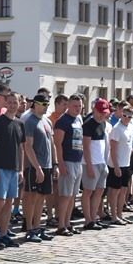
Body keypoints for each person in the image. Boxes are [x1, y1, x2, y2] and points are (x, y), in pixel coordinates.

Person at [0, 85, 24, 249]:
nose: (13, 105)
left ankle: (3, 232)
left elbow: (21, 148)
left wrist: (21, 169)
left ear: (19, 103)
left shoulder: (19, 123)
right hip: (0, 167)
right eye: (10, 102)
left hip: (14, 168)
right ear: (5, 103)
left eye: (15, 102)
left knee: (9, 202)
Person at [21, 94, 55, 242]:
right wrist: (37, 167)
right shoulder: (30, 121)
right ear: (35, 104)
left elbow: (51, 143)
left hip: (47, 165)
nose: (46, 105)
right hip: (34, 166)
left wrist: (55, 164)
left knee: (42, 197)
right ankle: (29, 228)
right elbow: (28, 146)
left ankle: (37, 226)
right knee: (31, 198)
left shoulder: (46, 121)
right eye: (43, 103)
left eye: (47, 103)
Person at [53, 94, 84, 236]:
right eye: (74, 106)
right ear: (68, 106)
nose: (77, 109)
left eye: (79, 106)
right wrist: (60, 164)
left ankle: (68, 222)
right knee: (65, 195)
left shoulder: (78, 119)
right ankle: (61, 225)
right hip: (67, 160)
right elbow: (57, 144)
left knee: (73, 195)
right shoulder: (62, 121)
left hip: (78, 160)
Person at [81, 99, 111, 230]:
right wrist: (88, 165)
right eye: (100, 112)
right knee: (88, 191)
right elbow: (86, 147)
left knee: (99, 191)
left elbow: (103, 145)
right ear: (94, 110)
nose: (102, 115)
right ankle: (88, 220)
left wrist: (105, 164)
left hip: (101, 162)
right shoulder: (88, 125)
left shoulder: (103, 124)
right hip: (91, 163)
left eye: (104, 112)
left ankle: (94, 217)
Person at [107, 104, 133, 225]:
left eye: (129, 116)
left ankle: (120, 214)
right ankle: (113, 216)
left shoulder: (130, 127)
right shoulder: (117, 129)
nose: (126, 118)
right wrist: (116, 166)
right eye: (125, 115)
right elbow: (112, 149)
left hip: (126, 163)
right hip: (116, 164)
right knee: (115, 191)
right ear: (121, 114)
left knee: (123, 190)